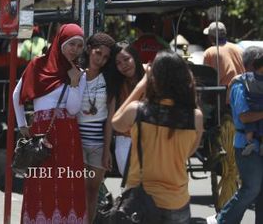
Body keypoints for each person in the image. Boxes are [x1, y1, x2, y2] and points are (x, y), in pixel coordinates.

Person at [112, 50, 204, 224]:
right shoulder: (195, 117)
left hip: (140, 202)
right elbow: (189, 152)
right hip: (177, 200)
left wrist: (140, 86)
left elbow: (116, 122)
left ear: (154, 80)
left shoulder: (137, 111)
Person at [12, 23, 87, 223]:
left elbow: (72, 109)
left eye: (80, 46)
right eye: (72, 44)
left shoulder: (79, 74)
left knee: (66, 185)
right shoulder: (37, 66)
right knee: (40, 184)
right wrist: (22, 125)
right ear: (60, 42)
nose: (75, 50)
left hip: (68, 139)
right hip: (41, 136)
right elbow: (16, 95)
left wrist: (73, 83)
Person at [207, 46, 263, 224]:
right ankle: (222, 220)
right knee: (251, 189)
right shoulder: (239, 84)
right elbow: (244, 116)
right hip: (246, 145)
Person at [77, 32, 116, 223]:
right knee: (79, 189)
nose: (101, 59)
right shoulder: (75, 74)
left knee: (93, 192)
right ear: (89, 50)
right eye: (98, 53)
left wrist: (107, 149)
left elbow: (109, 119)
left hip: (98, 143)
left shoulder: (108, 80)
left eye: (106, 57)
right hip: (76, 141)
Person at [112, 42, 145, 175]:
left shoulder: (152, 77)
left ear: (135, 57)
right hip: (124, 140)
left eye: (126, 59)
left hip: (150, 139)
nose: (123, 65)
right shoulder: (117, 84)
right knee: (130, 186)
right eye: (118, 63)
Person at [202, 21, 244, 98]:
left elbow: (205, 77)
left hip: (222, 96)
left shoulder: (209, 52)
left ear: (211, 37)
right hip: (240, 95)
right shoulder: (239, 49)